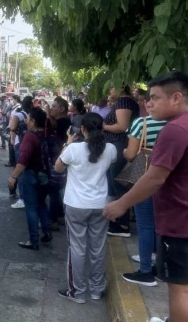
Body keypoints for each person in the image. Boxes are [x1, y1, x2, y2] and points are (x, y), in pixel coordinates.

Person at [104, 71, 188, 322]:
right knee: (184, 289)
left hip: (185, 224)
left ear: (177, 97)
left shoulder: (175, 130)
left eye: (155, 98)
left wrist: (121, 204)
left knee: (182, 292)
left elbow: (155, 177)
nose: (148, 104)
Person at [55, 113, 116, 303]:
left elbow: (58, 168)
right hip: (100, 205)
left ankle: (78, 292)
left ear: (82, 129)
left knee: (77, 248)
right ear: (103, 127)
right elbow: (109, 163)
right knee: (97, 248)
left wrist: (66, 142)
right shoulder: (111, 149)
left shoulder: (73, 149)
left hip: (76, 205)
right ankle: (97, 289)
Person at [121, 114, 166, 287]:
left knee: (146, 224)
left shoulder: (142, 123)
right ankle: (160, 267)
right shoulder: (174, 122)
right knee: (160, 225)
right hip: (167, 179)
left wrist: (125, 152)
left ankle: (145, 271)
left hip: (145, 177)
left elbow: (131, 154)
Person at [7, 108, 52, 250]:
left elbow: (23, 159)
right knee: (41, 204)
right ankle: (46, 232)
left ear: (32, 121)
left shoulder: (29, 136)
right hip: (45, 175)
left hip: (31, 175)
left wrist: (13, 177)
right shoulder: (47, 134)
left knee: (31, 208)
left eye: (28, 119)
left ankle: (33, 240)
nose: (25, 121)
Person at [103, 85, 139, 238]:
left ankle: (122, 224)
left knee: (118, 183)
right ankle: (114, 219)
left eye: (112, 88)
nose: (110, 92)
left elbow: (122, 126)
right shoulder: (124, 101)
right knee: (114, 183)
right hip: (116, 145)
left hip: (119, 145)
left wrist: (103, 125)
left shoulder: (124, 102)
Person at [48, 97, 71, 231]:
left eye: (54, 106)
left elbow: (51, 125)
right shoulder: (63, 120)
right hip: (60, 155)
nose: (52, 109)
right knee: (58, 189)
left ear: (62, 109)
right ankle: (59, 215)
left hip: (60, 156)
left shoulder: (62, 121)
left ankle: (54, 219)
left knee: (54, 189)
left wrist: (46, 113)